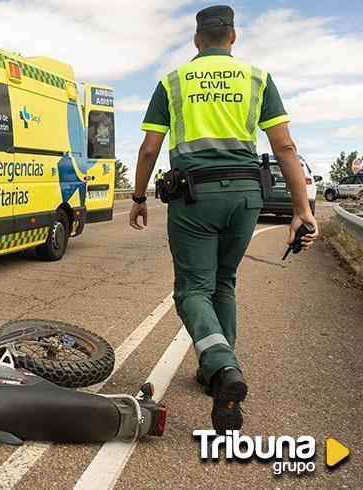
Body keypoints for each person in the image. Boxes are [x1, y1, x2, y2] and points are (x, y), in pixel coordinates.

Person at [128, 5, 318, 431]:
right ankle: (217, 374)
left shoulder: (173, 81)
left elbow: (148, 149)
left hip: (195, 196)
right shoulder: (257, 79)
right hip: (246, 195)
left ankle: (222, 364)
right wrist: (302, 210)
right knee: (223, 282)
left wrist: (139, 197)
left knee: (192, 289)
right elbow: (285, 147)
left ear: (197, 40)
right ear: (233, 37)